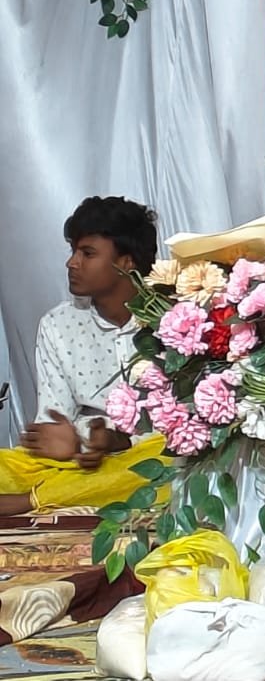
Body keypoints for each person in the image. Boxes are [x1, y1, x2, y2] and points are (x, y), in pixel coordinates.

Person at [0, 197, 168, 514]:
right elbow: (54, 425)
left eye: (87, 253)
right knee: (7, 465)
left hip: (144, 453)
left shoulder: (173, 321)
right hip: (78, 461)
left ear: (126, 262)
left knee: (165, 463)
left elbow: (184, 427)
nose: (72, 263)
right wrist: (73, 443)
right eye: (73, 251)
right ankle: (61, 493)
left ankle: (32, 501)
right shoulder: (57, 324)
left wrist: (118, 442)